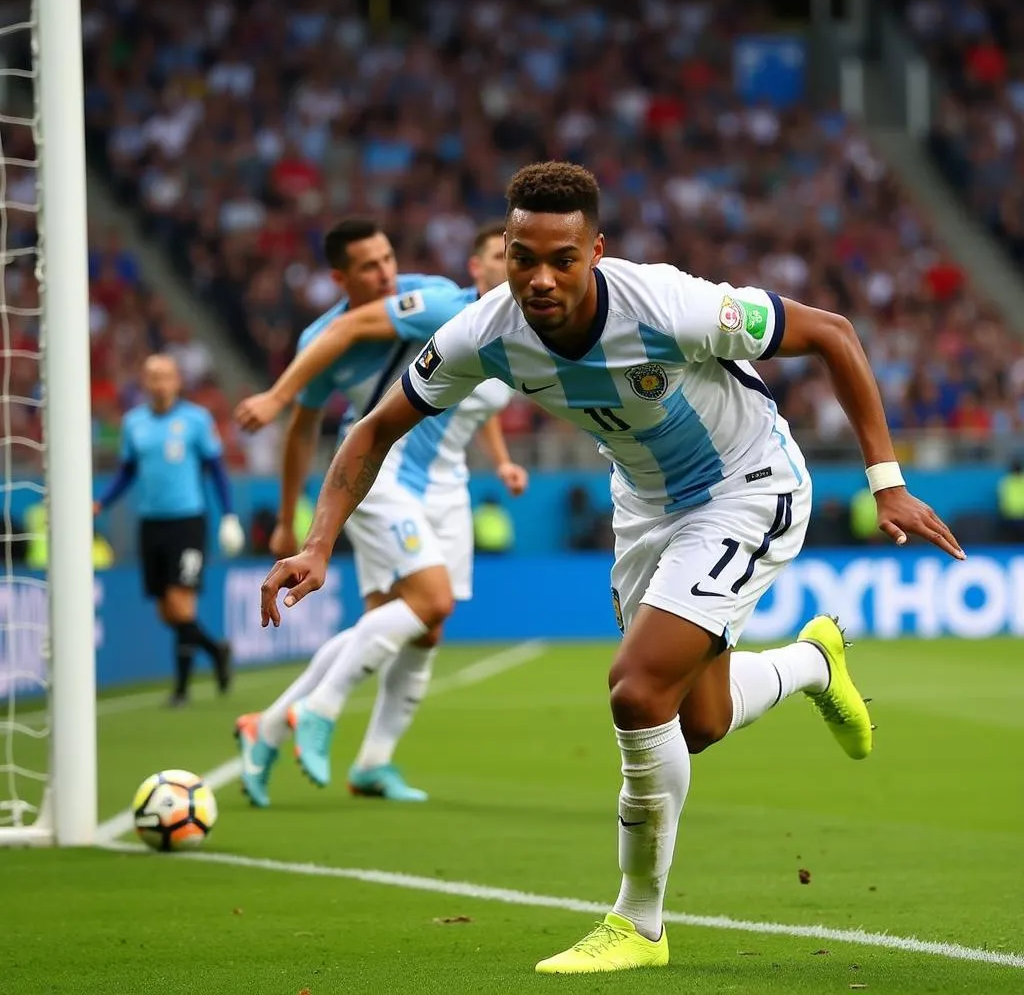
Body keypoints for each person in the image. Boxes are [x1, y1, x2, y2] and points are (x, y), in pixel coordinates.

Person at [258, 162, 966, 974]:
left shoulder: (668, 304)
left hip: (746, 486)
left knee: (636, 690)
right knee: (694, 722)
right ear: (504, 251)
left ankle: (639, 924)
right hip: (645, 509)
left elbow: (832, 332)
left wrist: (888, 483)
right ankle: (813, 662)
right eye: (524, 257)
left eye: (563, 258)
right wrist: (317, 544)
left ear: (596, 249)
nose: (542, 278)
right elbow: (372, 431)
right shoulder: (485, 332)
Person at [233, 222, 528, 806]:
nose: (387, 274)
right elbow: (305, 425)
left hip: (446, 484)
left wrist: (501, 460)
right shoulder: (427, 306)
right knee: (429, 601)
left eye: (390, 258)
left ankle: (305, 739)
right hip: (381, 471)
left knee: (415, 625)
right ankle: (316, 711)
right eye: (370, 266)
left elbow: (474, 386)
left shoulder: (505, 322)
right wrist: (278, 405)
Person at [95, 354, 244, 706]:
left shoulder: (195, 420)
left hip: (187, 521)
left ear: (177, 381)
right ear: (144, 383)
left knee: (181, 604)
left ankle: (181, 690)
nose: (158, 383)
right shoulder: (134, 424)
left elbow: (217, 469)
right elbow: (128, 470)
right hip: (151, 522)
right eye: (151, 377)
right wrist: (103, 501)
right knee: (167, 611)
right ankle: (217, 649)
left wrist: (229, 515)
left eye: (164, 376)